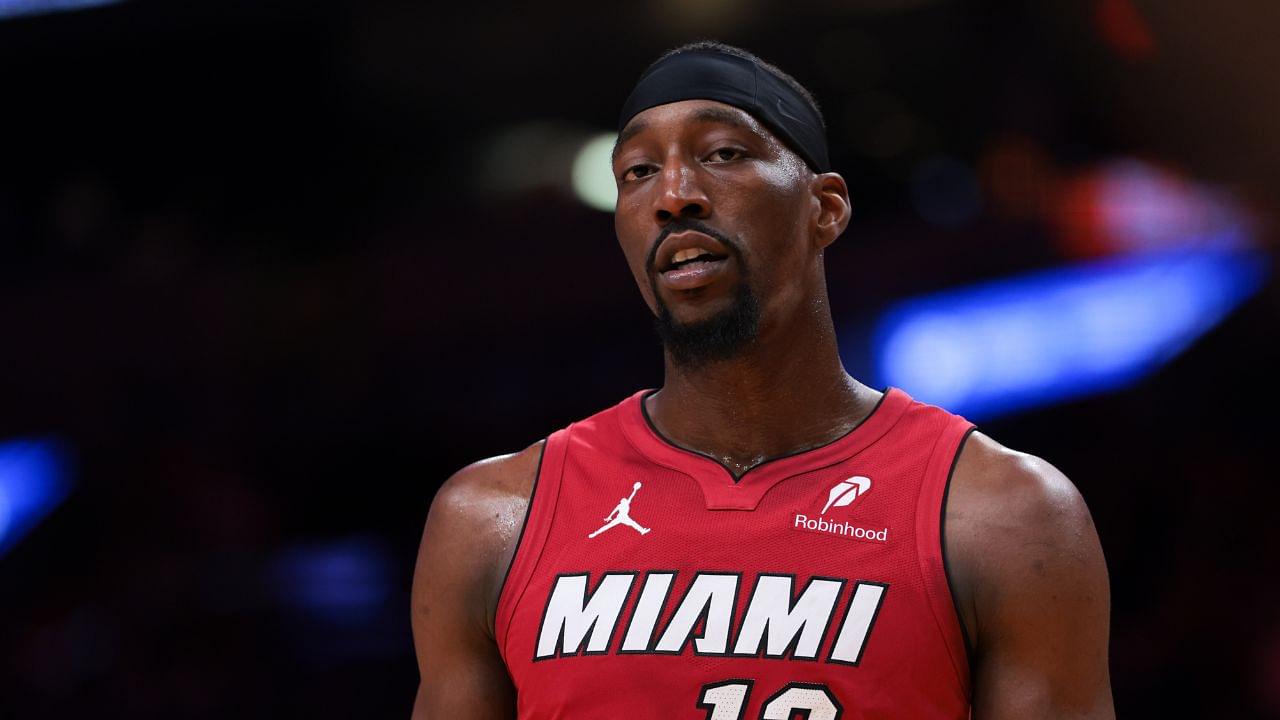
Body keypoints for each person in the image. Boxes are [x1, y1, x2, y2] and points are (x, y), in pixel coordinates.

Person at [411, 41, 1113, 719]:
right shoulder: (492, 518)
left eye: (722, 154)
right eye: (638, 172)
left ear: (825, 208)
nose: (675, 195)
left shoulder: (1006, 515)